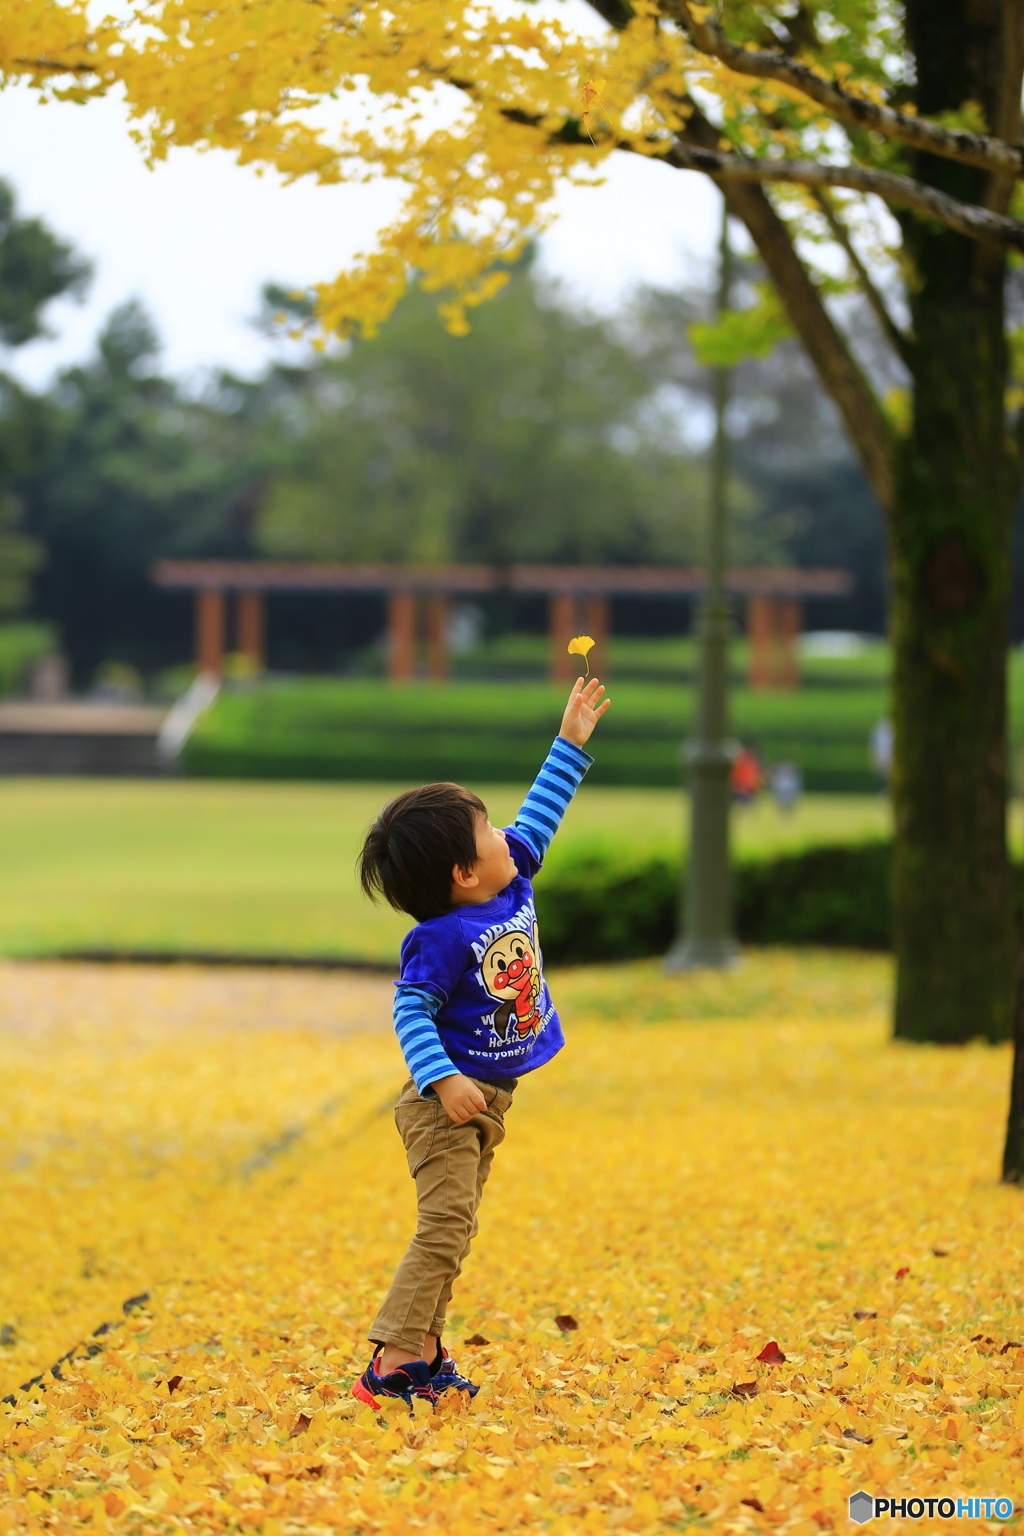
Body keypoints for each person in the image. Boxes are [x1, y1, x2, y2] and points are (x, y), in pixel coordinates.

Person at [353, 676, 611, 1409]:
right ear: (464, 874)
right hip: (446, 1106)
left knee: (457, 1231)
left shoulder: (507, 880)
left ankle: (427, 1354)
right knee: (442, 1229)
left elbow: (542, 816)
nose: (508, 837)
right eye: (489, 833)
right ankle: (392, 1365)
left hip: (489, 1098)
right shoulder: (438, 939)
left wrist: (569, 743)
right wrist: (442, 1082)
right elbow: (409, 1014)